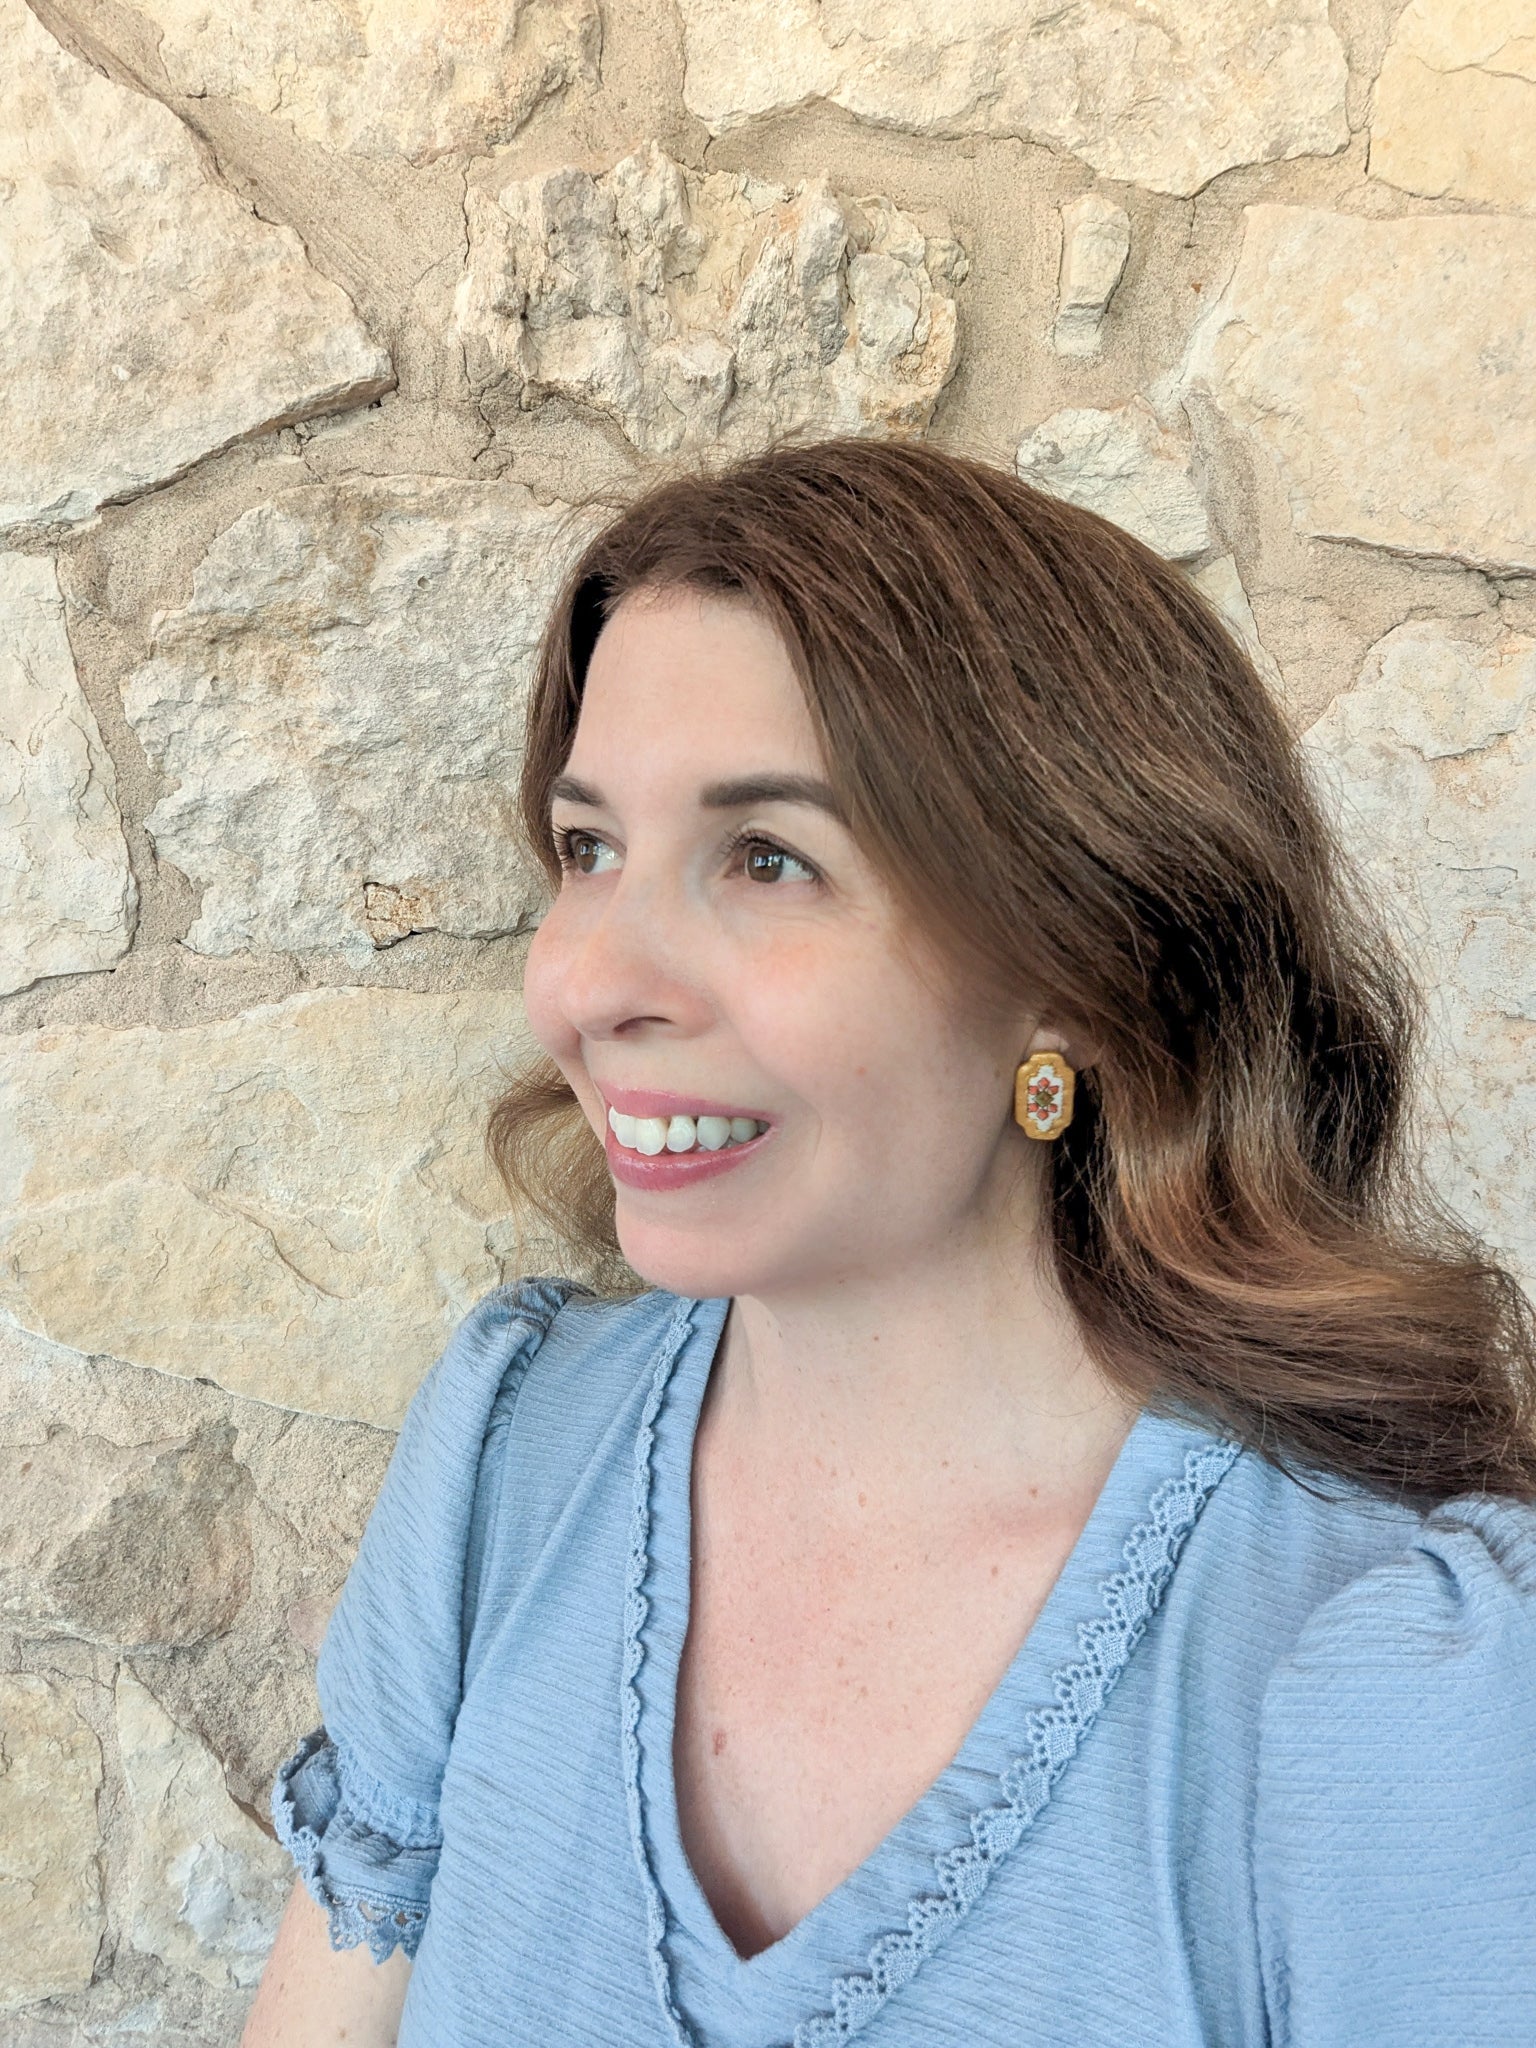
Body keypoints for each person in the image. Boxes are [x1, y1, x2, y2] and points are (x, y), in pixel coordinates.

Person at [243, 437, 1536, 2048]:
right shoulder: (511, 1456)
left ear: (1078, 968)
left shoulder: (1391, 1687)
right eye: (589, 848)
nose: (586, 985)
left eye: (768, 859)